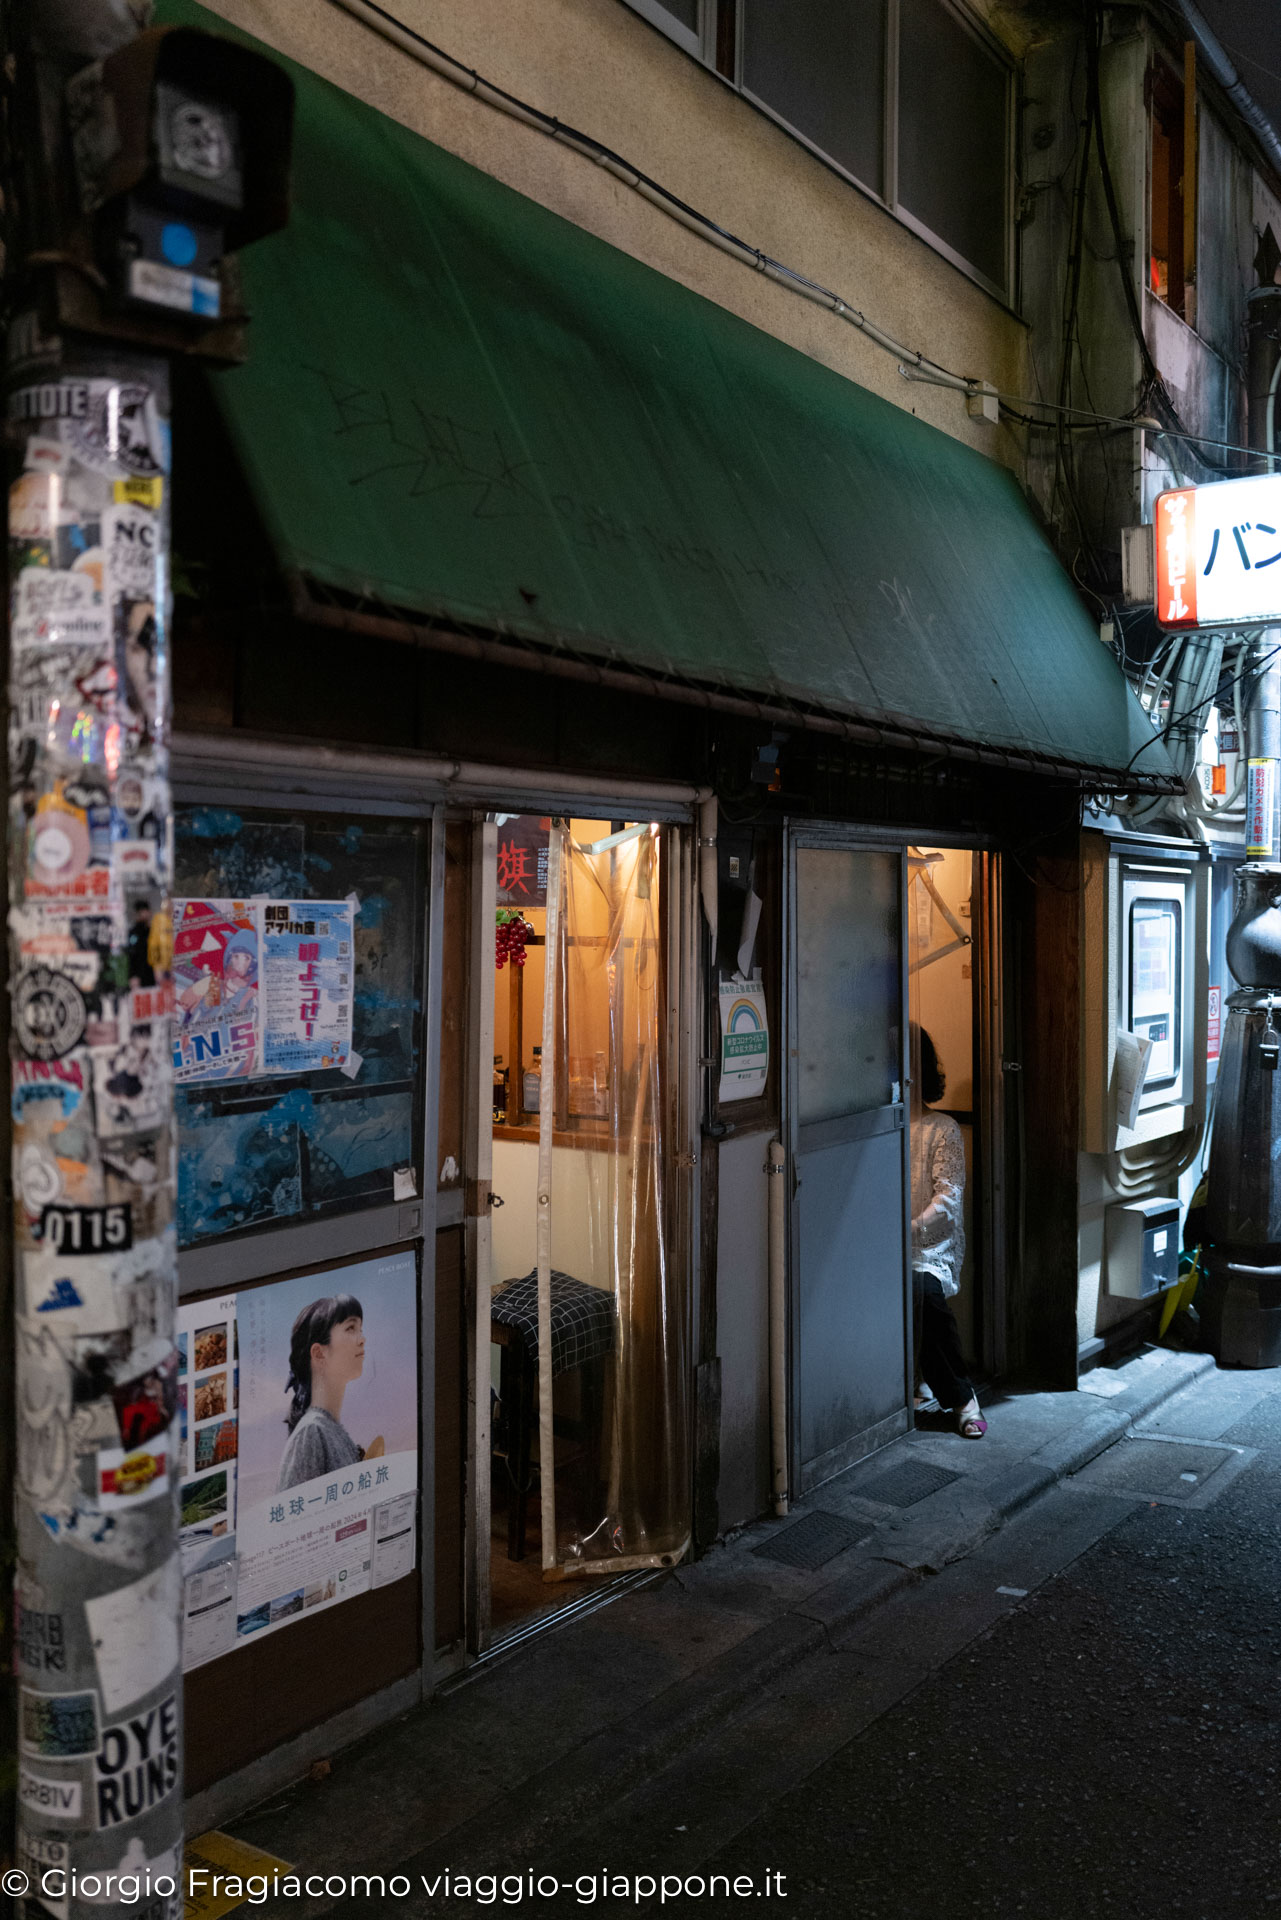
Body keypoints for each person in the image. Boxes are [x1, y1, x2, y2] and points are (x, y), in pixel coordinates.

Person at [911, 1025, 986, 1439]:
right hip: (876, 1245)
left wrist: (908, 1229)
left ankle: (962, 1399)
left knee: (921, 1291)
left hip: (926, 1246)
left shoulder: (941, 1128)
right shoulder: (874, 1126)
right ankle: (920, 1379)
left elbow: (947, 1201)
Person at [277, 1293, 386, 1491]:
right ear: (319, 1353)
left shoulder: (329, 1429)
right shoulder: (312, 1432)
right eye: (350, 1328)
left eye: (360, 1329)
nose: (362, 1339)